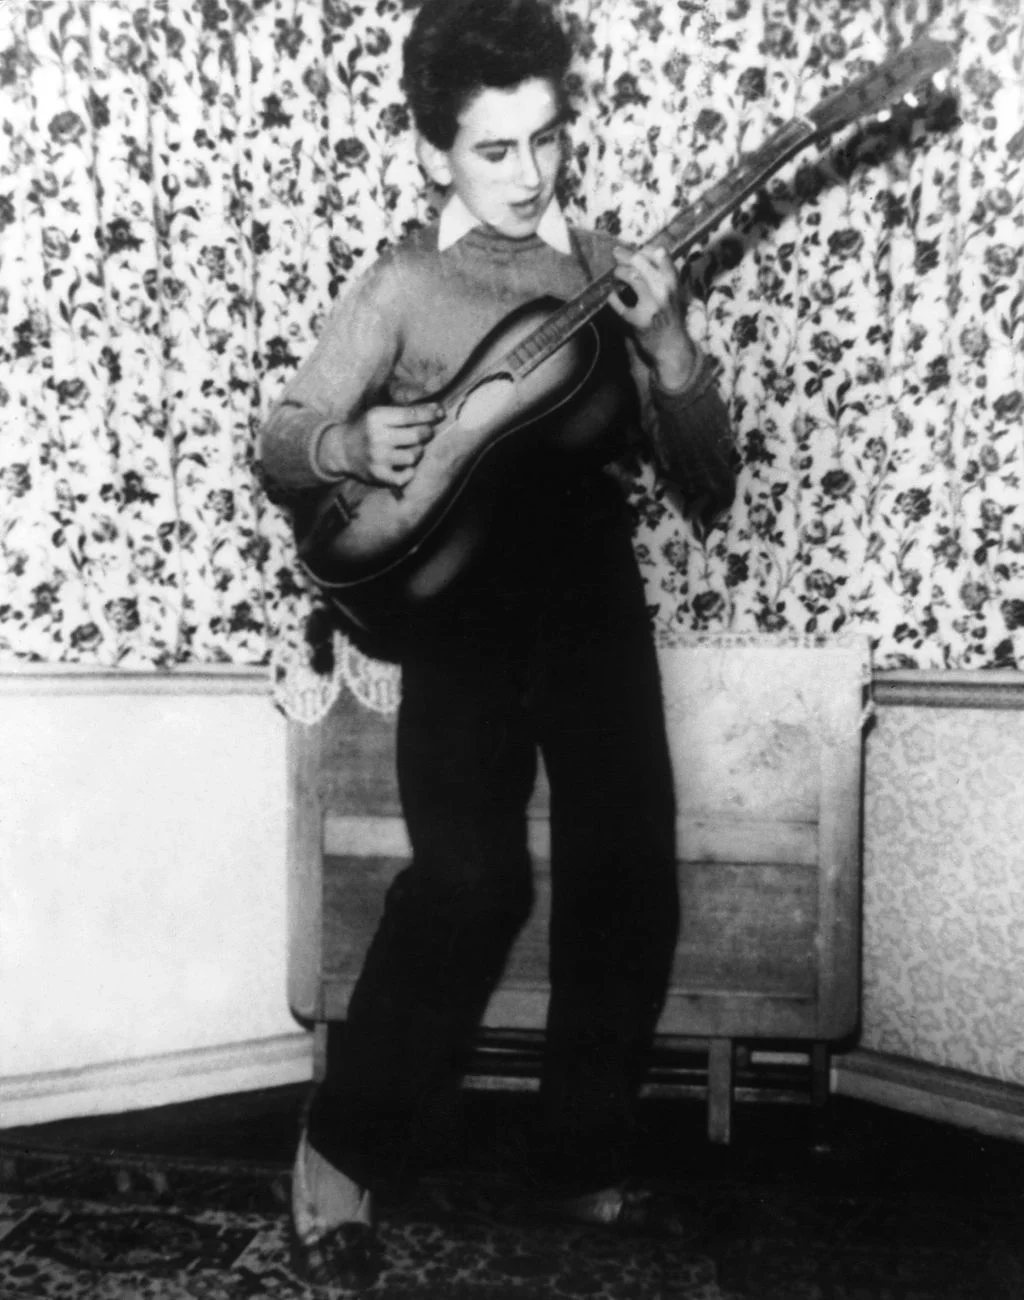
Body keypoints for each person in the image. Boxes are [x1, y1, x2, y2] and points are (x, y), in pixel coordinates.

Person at [261, 0, 736, 1286]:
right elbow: (283, 429)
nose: (530, 177)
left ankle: (574, 1151)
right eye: (494, 149)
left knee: (626, 874)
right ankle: (340, 1156)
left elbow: (707, 473)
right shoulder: (407, 282)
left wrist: (672, 345)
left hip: (592, 595)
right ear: (434, 156)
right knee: (470, 882)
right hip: (463, 613)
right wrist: (347, 444)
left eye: (546, 140)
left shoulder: (603, 262)